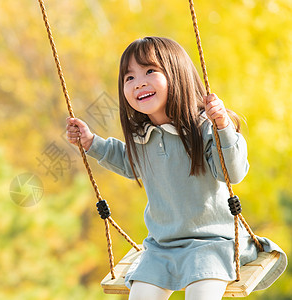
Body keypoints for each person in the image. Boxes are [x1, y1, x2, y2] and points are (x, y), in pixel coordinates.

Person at [66, 37, 286, 300]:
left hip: (213, 244)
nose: (139, 83)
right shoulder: (143, 137)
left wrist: (223, 127)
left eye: (150, 71)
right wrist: (91, 142)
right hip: (161, 248)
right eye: (129, 77)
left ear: (176, 74)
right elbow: (127, 161)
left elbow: (233, 172)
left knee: (200, 295)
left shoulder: (204, 128)